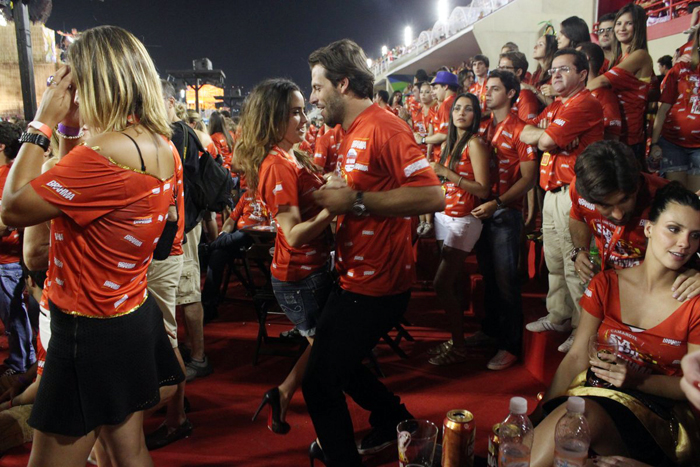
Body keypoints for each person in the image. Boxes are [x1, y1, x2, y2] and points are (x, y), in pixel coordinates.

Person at [1, 26, 184, 466]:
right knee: (125, 450)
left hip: (87, 330)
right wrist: (68, 131)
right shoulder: (159, 144)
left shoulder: (101, 154)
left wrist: (42, 121)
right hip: (128, 314)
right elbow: (81, 197)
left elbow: (12, 207)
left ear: (93, 81)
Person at [305, 39, 444, 466]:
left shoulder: (385, 126)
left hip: (378, 285)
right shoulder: (350, 131)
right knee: (338, 368)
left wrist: (356, 202)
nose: (313, 97)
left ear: (343, 83)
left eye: (317, 86)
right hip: (355, 276)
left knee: (319, 381)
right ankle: (394, 420)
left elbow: (433, 195)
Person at [530, 182, 700, 467]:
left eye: (695, 235)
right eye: (674, 229)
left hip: (657, 417)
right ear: (648, 228)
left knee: (579, 417)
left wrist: (636, 380)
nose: (684, 243)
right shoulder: (606, 283)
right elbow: (576, 356)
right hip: (593, 395)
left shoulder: (694, 301)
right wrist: (537, 414)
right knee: (560, 425)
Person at [236, 79, 335, 436]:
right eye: (294, 112)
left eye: (302, 109)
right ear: (272, 118)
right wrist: (334, 211)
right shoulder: (277, 164)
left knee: (325, 350)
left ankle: (282, 394)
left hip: (311, 271)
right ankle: (330, 440)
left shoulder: (291, 153)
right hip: (299, 279)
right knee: (331, 361)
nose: (304, 117)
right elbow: (292, 235)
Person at [520, 48, 604, 353]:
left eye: (564, 69)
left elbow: (544, 140)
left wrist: (546, 135)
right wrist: (546, 133)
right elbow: (525, 132)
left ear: (582, 75)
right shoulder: (557, 106)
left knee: (574, 264)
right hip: (552, 192)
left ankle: (582, 329)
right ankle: (559, 315)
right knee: (554, 261)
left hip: (575, 195)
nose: (555, 74)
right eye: (553, 69)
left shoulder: (584, 103)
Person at [569, 140, 700, 299]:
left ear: (638, 184)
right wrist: (580, 249)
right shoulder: (581, 189)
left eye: (625, 200)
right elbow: (578, 216)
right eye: (605, 206)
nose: (618, 215)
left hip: (661, 293)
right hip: (608, 283)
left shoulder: (668, 198)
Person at [472, 70, 537, 370]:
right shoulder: (483, 128)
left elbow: (529, 179)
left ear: (511, 94)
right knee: (488, 277)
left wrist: (497, 203)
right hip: (483, 210)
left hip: (505, 212)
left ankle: (511, 345)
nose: (487, 93)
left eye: (495, 89)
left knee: (506, 281)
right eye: (487, 88)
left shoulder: (522, 129)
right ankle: (491, 332)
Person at [426, 92, 490, 366]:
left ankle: (460, 346)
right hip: (445, 216)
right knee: (452, 282)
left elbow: (484, 189)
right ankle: (456, 339)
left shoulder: (474, 144)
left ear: (476, 116)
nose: (461, 113)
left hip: (464, 219)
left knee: (441, 283)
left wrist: (447, 172)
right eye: (457, 109)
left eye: (468, 109)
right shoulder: (452, 143)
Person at [161, 82, 214, 383]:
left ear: (169, 101)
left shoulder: (177, 133)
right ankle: (188, 352)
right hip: (185, 223)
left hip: (185, 225)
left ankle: (198, 357)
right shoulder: (183, 133)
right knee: (181, 292)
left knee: (188, 293)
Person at [589, 3, 654, 161]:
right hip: (616, 135)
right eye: (618, 23)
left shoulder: (640, 55)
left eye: (628, 23)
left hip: (630, 139)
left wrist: (566, 93)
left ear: (638, 26)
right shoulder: (618, 59)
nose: (622, 28)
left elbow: (600, 82)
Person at [0, 122, 35, 377]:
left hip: (9, 260)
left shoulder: (8, 175)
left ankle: (20, 364)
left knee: (15, 317)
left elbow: (9, 220)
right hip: (12, 259)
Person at [650, 25, 700, 192]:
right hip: (672, 144)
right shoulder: (680, 68)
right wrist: (654, 143)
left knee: (695, 202)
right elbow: (663, 108)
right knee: (677, 198)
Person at [578, 42, 623, 141]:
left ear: (586, 58)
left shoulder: (604, 95)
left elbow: (612, 136)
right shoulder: (578, 93)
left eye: (575, 57)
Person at [416, 71, 459, 162]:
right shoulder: (456, 100)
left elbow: (444, 135)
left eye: (436, 88)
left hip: (445, 156)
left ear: (445, 87)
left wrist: (422, 139)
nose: (434, 92)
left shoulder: (446, 105)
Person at [499, 51, 540, 121]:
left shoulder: (525, 95)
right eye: (499, 68)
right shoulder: (502, 92)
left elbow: (527, 129)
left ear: (518, 72)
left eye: (504, 68)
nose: (500, 72)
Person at [524, 34, 558, 107]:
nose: (535, 47)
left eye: (540, 45)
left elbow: (555, 105)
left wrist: (533, 90)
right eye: (536, 44)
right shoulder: (536, 74)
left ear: (550, 49)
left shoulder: (555, 74)